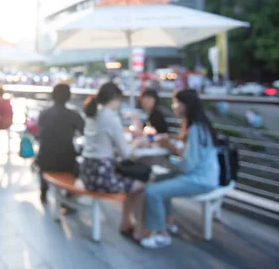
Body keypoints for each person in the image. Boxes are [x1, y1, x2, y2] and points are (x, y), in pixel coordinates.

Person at [140, 89, 220, 248]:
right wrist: (171, 144)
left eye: (176, 102)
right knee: (158, 180)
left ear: (186, 105)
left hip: (200, 180)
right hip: (203, 175)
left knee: (152, 191)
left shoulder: (196, 129)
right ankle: (168, 222)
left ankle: (161, 234)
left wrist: (169, 151)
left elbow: (187, 166)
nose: (173, 106)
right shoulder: (198, 126)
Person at [79, 82, 149, 237]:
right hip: (101, 175)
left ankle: (126, 222)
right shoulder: (111, 118)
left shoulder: (93, 114)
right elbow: (125, 153)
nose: (120, 104)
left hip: (87, 172)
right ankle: (137, 227)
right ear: (114, 98)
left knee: (130, 178)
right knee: (139, 185)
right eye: (120, 100)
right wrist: (138, 142)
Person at [36, 83, 85, 203]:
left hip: (45, 160)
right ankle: (69, 195)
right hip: (65, 161)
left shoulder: (44, 113)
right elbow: (85, 131)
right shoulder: (73, 115)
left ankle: (44, 191)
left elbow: (40, 133)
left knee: (46, 153)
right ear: (69, 96)